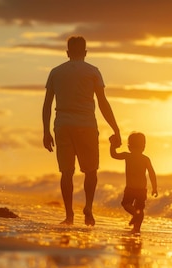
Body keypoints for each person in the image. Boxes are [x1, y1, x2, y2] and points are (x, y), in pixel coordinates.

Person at [42, 36, 121, 226]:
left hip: (63, 125)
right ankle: (88, 208)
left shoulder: (56, 72)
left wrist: (46, 131)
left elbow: (47, 105)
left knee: (67, 172)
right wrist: (115, 129)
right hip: (87, 125)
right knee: (91, 171)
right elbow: (102, 102)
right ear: (85, 52)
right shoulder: (93, 72)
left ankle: (69, 216)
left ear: (68, 53)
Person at [110, 132, 158, 233]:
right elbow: (152, 174)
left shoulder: (127, 156)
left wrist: (112, 145)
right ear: (143, 146)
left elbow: (114, 155)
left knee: (126, 204)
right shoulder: (145, 159)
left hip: (130, 188)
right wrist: (154, 188)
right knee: (140, 209)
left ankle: (135, 216)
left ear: (129, 146)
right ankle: (137, 228)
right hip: (141, 189)